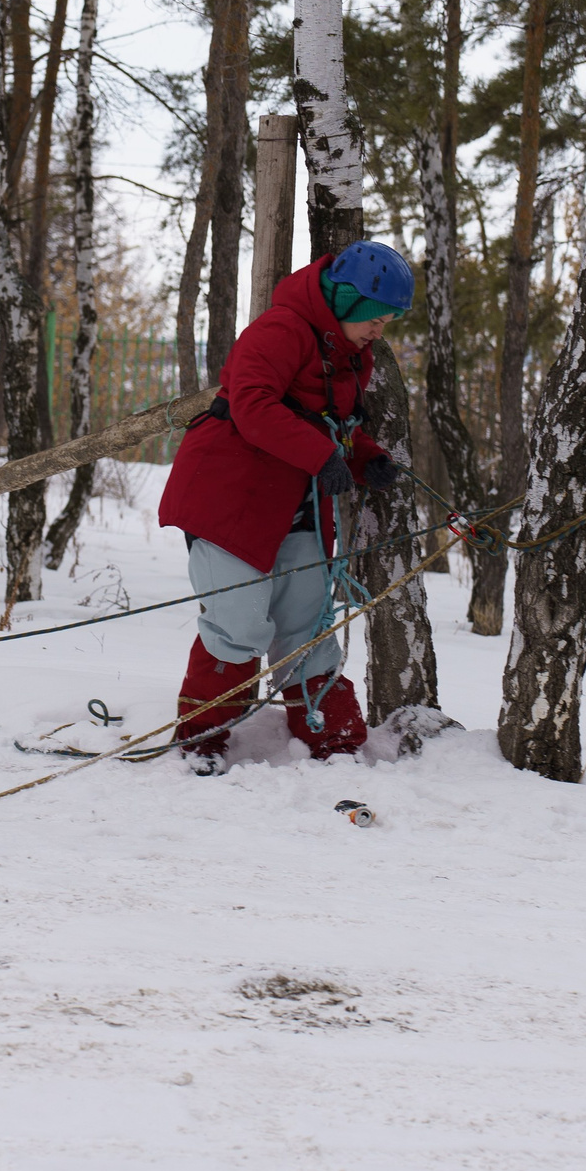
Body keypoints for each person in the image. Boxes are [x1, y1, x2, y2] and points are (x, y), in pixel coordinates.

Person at [156, 239, 413, 772]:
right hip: (233, 498)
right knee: (239, 623)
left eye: (386, 321)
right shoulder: (280, 330)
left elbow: (331, 426)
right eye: (373, 318)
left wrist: (365, 458)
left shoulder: (351, 357)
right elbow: (251, 404)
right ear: (345, 302)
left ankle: (332, 737)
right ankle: (202, 738)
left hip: (296, 503)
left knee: (307, 621)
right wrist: (323, 456)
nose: (378, 330)